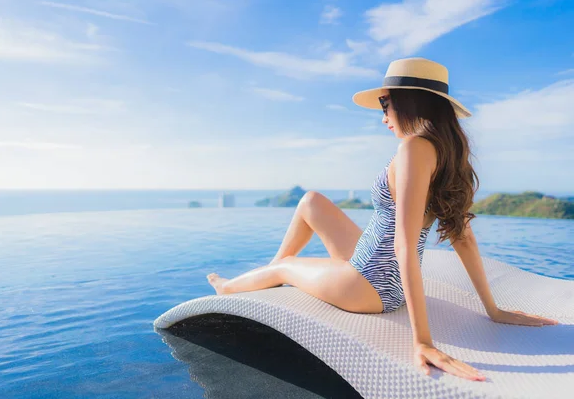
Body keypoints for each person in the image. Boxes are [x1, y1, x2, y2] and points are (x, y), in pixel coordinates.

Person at [206, 57, 558, 381]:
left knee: (286, 265)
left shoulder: (414, 148)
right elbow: (462, 235)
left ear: (409, 101)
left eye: (385, 104)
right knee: (310, 201)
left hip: (367, 286)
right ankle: (274, 276)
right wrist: (492, 309)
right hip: (375, 272)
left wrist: (423, 341)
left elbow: (405, 243)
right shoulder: (449, 152)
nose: (383, 115)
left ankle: (232, 286)